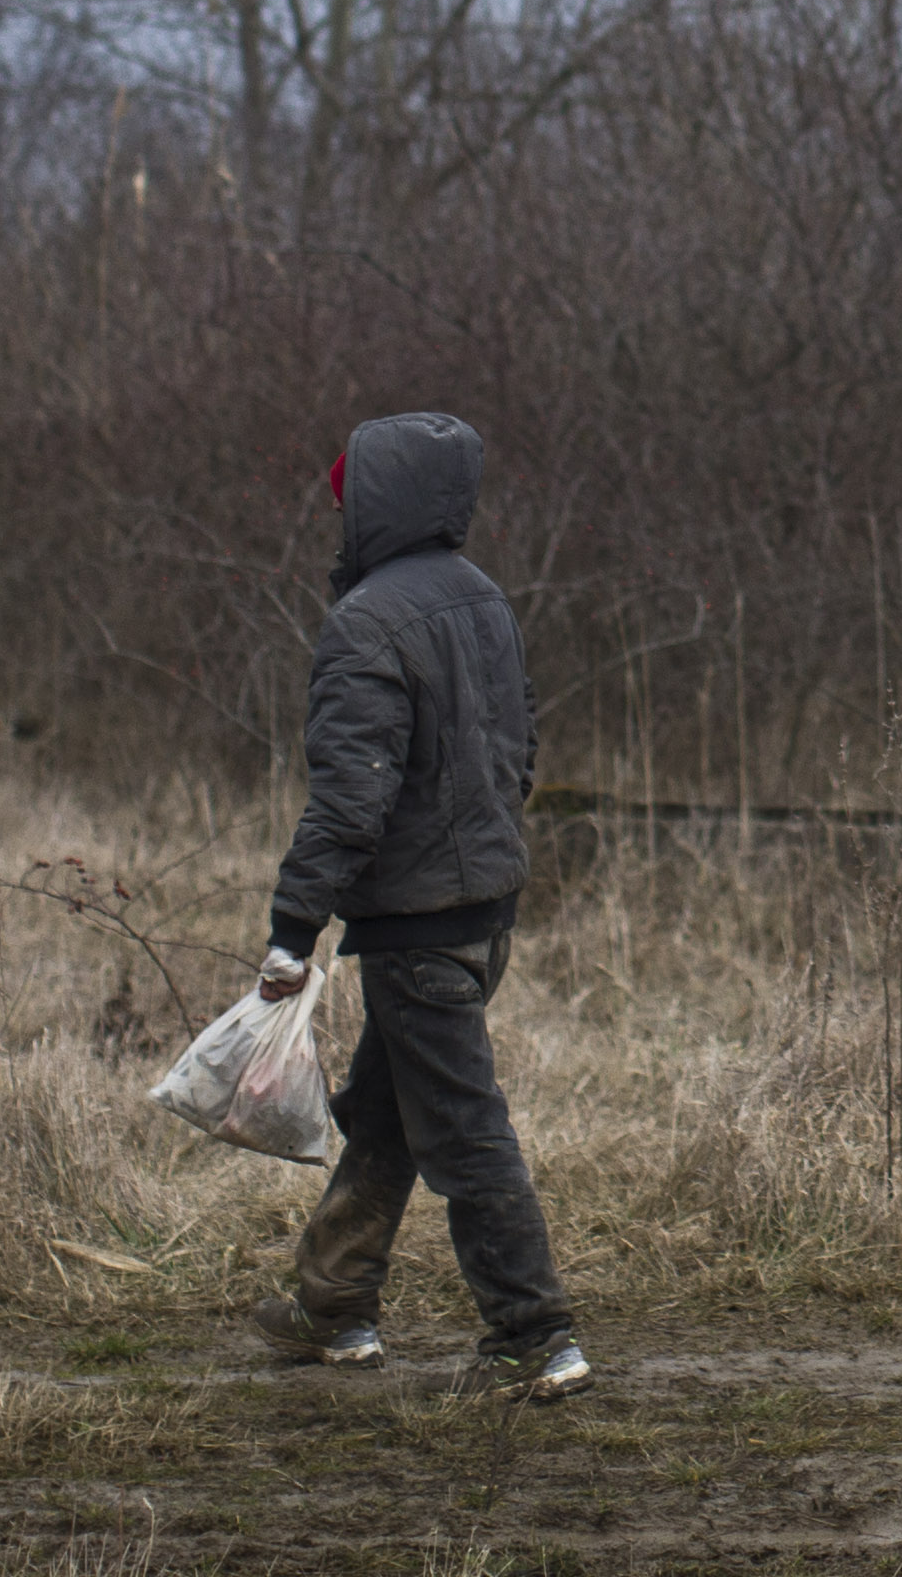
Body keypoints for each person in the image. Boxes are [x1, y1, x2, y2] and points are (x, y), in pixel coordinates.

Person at [243, 408, 589, 1399]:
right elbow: (522, 744)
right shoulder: (483, 598)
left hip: (419, 931)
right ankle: (332, 1308)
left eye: (346, 500)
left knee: (465, 1134)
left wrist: (291, 932)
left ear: (377, 503)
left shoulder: (365, 621)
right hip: (483, 917)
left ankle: (535, 1337)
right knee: (390, 1116)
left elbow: (350, 800)